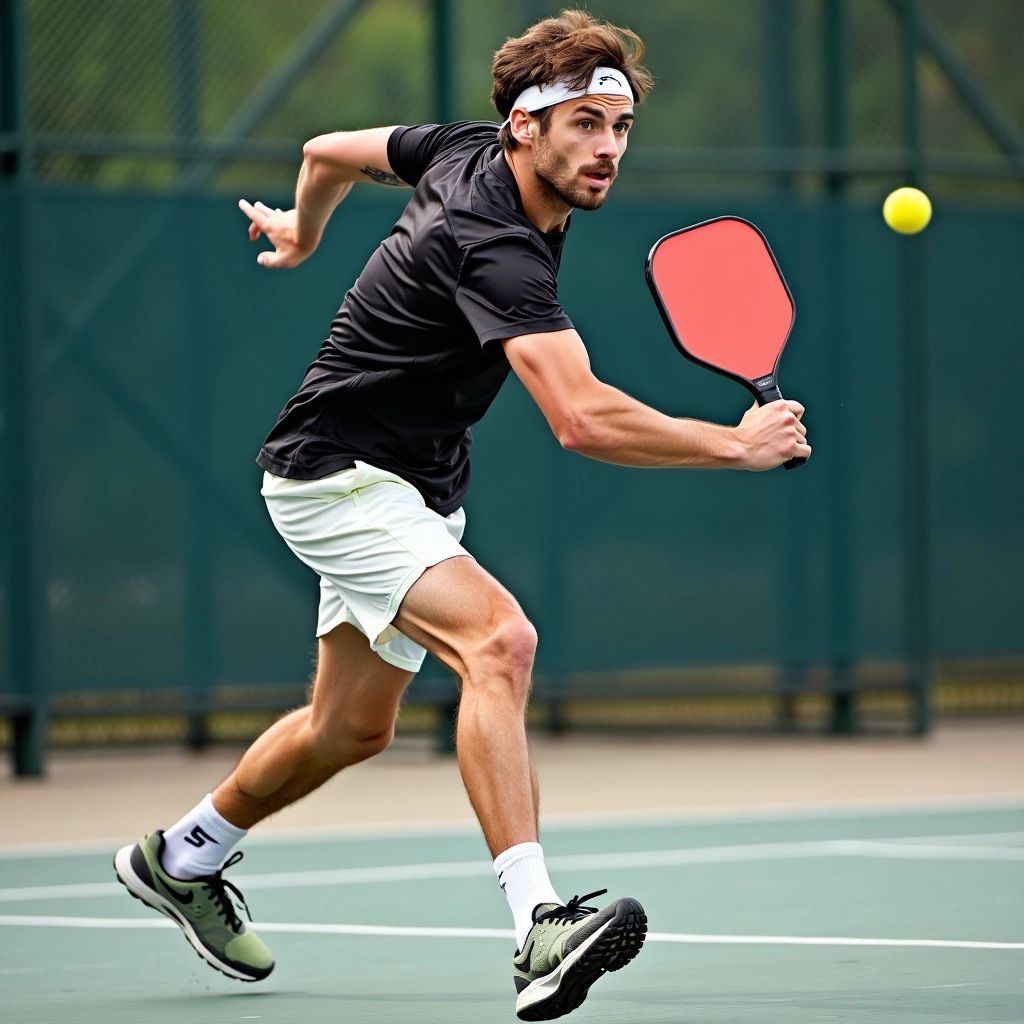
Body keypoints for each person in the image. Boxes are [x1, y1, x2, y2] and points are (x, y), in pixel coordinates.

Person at [114, 9, 811, 1021]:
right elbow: (579, 416)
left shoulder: (454, 147)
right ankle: (538, 927)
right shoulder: (498, 244)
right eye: (583, 125)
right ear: (526, 128)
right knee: (500, 641)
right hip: (335, 474)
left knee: (347, 727)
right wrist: (732, 443)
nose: (606, 148)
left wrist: (303, 231)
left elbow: (323, 152)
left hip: (415, 483)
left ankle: (182, 857)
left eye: (617, 127)